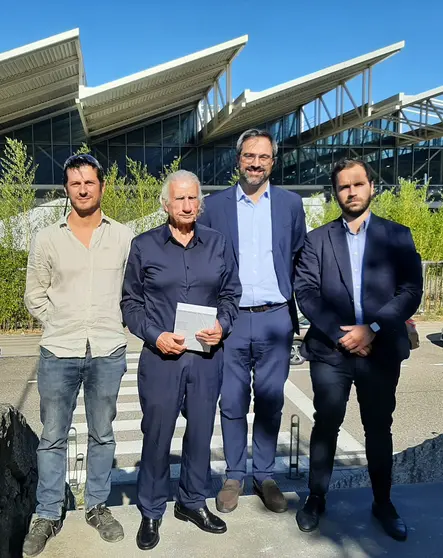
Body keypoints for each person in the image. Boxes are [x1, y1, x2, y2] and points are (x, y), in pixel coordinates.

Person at [294, 158, 423, 541]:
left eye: (358, 184)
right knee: (326, 423)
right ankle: (316, 498)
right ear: (335, 192)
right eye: (343, 186)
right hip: (331, 353)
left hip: (380, 352)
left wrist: (373, 330)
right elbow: (307, 292)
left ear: (371, 187)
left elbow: (411, 291)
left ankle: (383, 503)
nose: (351, 192)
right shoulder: (316, 240)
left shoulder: (398, 235)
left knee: (378, 428)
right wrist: (342, 334)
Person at [121, 170, 241, 551]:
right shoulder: (144, 246)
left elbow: (231, 293)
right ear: (166, 204)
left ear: (199, 202)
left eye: (193, 199)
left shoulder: (219, 244)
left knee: (201, 433)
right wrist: (155, 335)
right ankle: (152, 509)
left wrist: (222, 325)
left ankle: (192, 502)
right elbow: (130, 303)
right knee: (156, 434)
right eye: (180, 200)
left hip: (206, 356)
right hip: (162, 357)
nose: (187, 206)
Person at [23, 154, 134, 556]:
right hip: (59, 350)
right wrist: (59, 320)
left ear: (102, 186)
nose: (83, 189)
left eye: (89, 182)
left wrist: (116, 320)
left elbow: (132, 289)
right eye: (75, 183)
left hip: (107, 348)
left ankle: (98, 506)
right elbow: (33, 292)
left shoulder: (122, 237)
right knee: (52, 437)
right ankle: (48, 512)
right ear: (67, 189)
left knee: (102, 433)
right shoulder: (47, 237)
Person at [199, 129, 306, 514]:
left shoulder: (292, 206)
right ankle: (234, 475)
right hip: (230, 319)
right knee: (231, 400)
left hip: (275, 317)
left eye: (263, 157)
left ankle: (264, 475)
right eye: (249, 156)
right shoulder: (215, 206)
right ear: (238, 159)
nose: (255, 163)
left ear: (272, 162)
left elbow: (299, 257)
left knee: (271, 399)